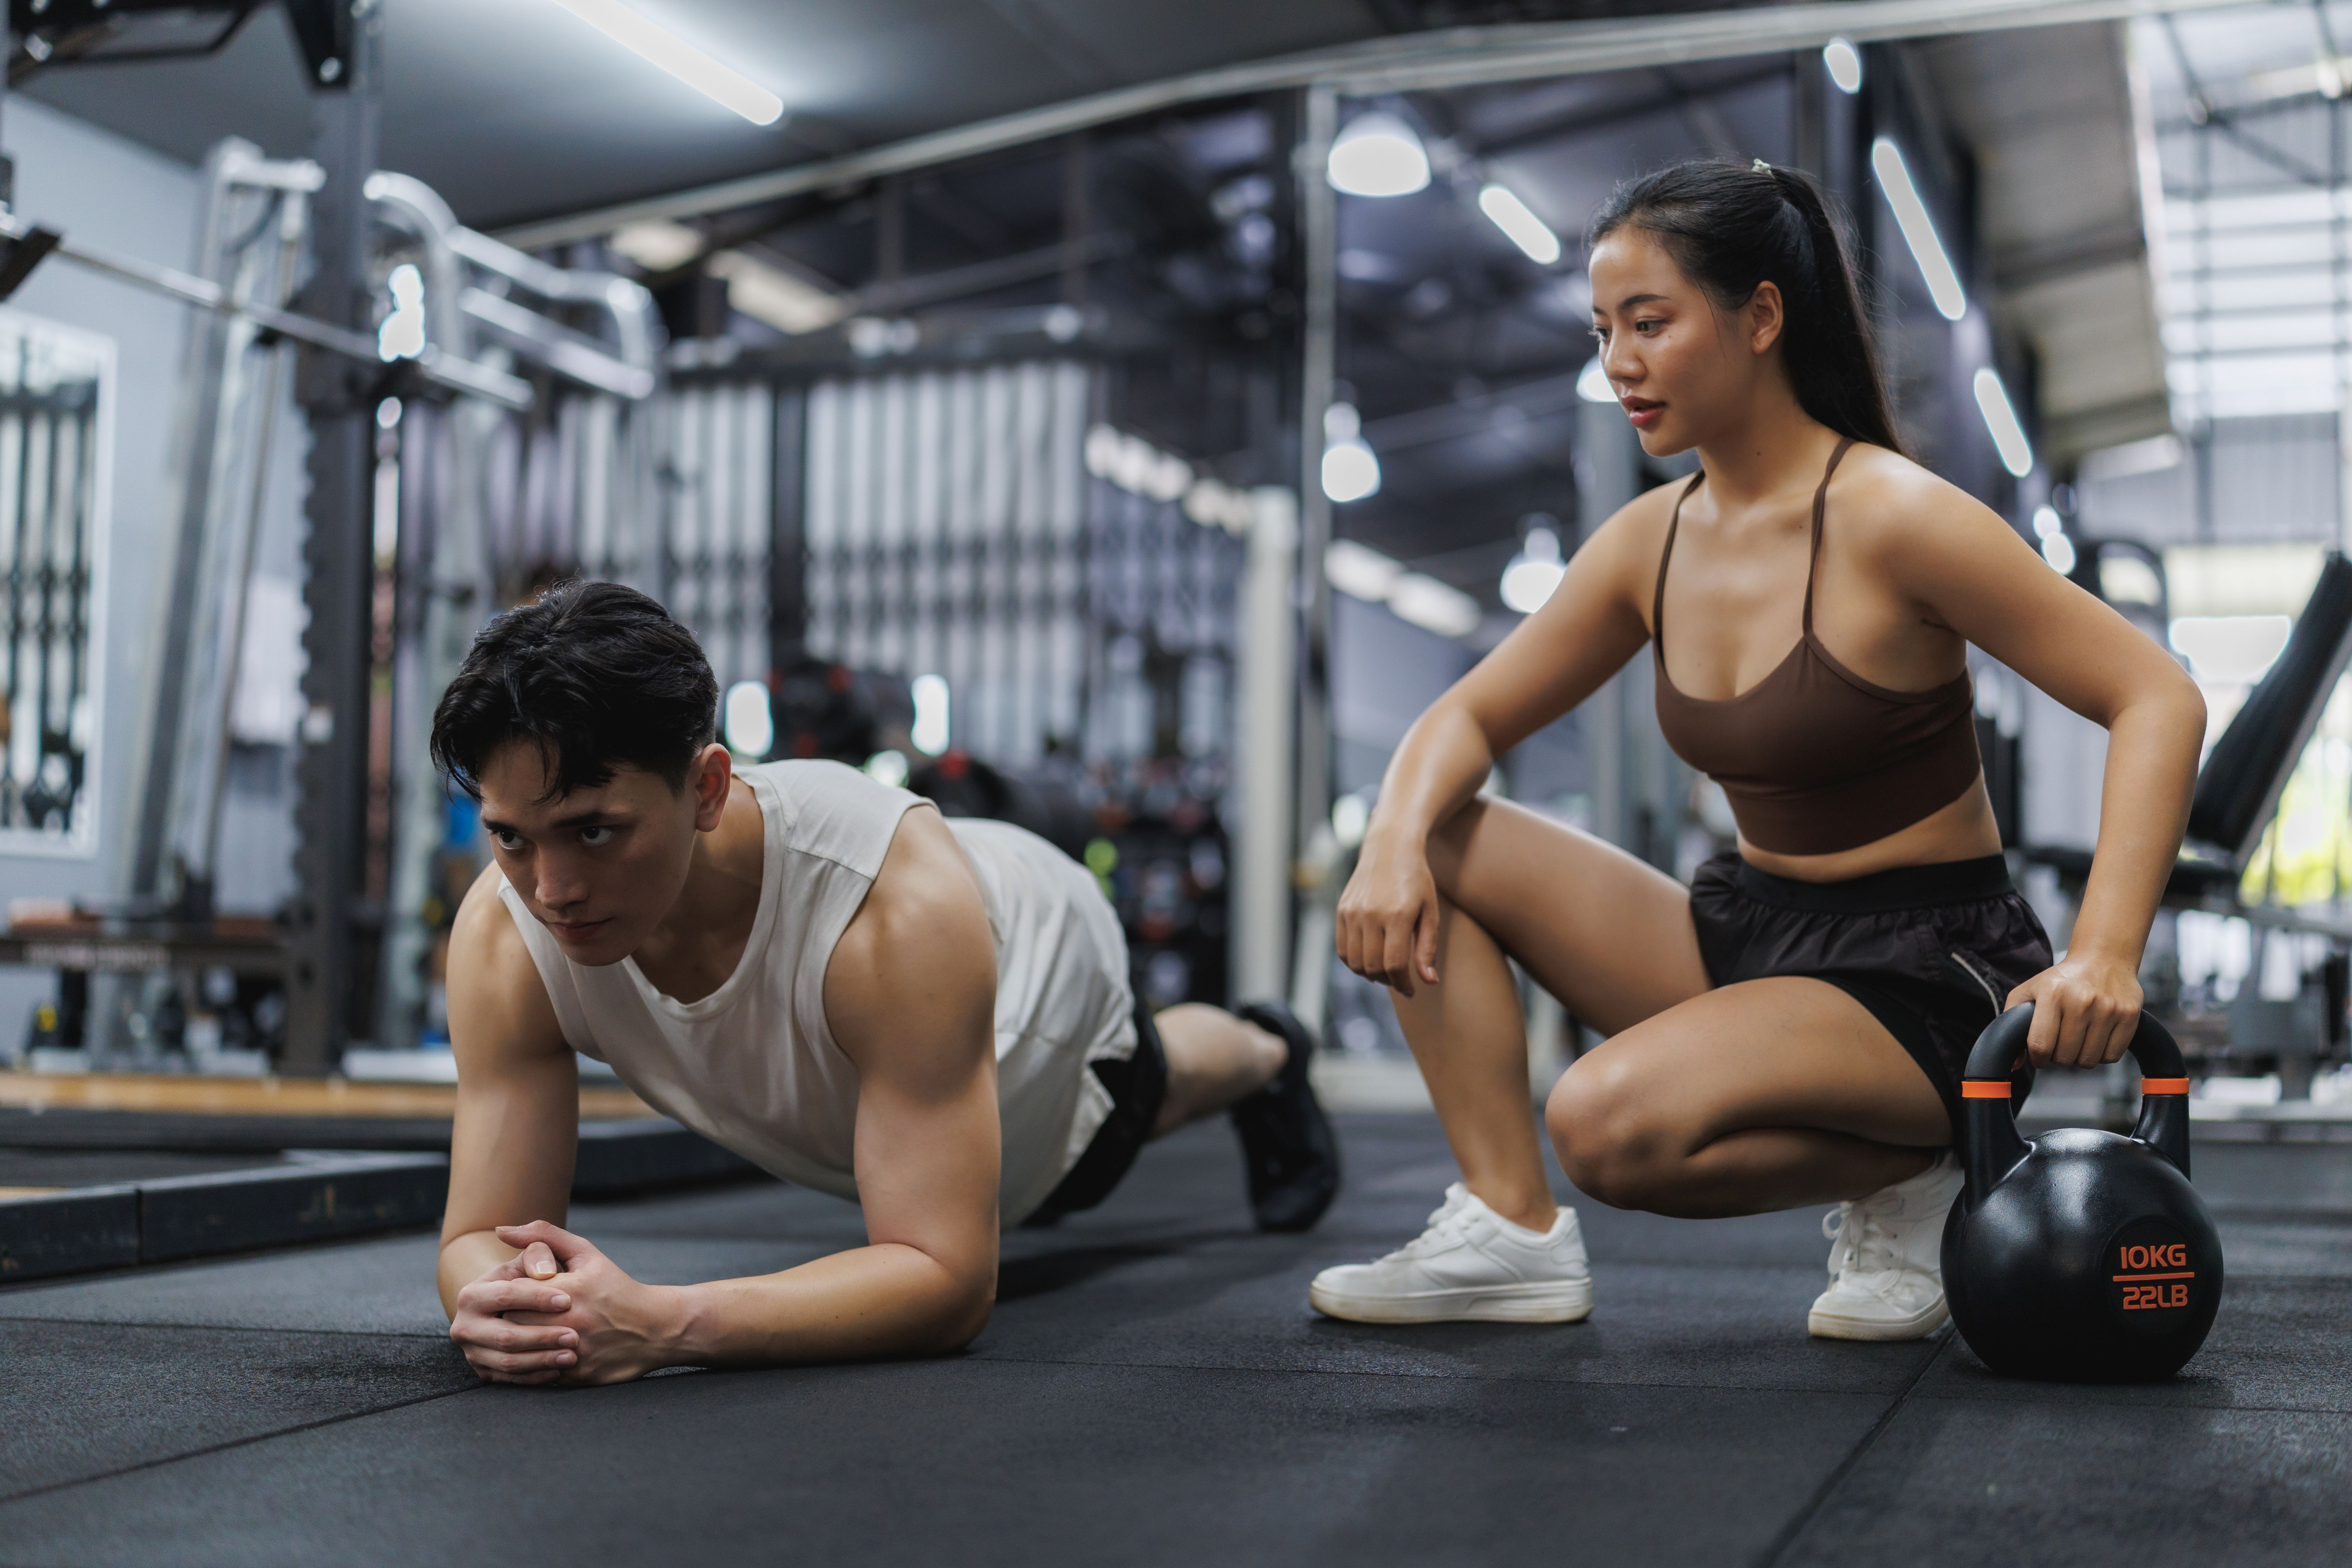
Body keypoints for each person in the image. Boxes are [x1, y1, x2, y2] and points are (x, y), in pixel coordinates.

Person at [1310, 160, 2204, 1340]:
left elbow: (2155, 695)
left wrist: (2105, 952)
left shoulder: (1892, 515)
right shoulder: (1648, 542)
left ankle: (1921, 1167)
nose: (1615, 364)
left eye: (1648, 323)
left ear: (1762, 317)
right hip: (1749, 926)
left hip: (1921, 975)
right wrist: (1388, 845)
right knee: (1438, 833)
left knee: (1603, 1122)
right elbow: (1461, 718)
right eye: (1601, 331)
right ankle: (1505, 1229)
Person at [432, 581, 1338, 1384]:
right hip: (868, 1064)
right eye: (512, 836)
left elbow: (945, 1281)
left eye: (595, 832)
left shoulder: (886, 912)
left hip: (1038, 981)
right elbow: (481, 1236)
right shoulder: (506, 937)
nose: (551, 889)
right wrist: (525, 1304)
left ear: (708, 789)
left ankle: (1269, 1048)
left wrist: (660, 1324)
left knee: (1143, 1096)